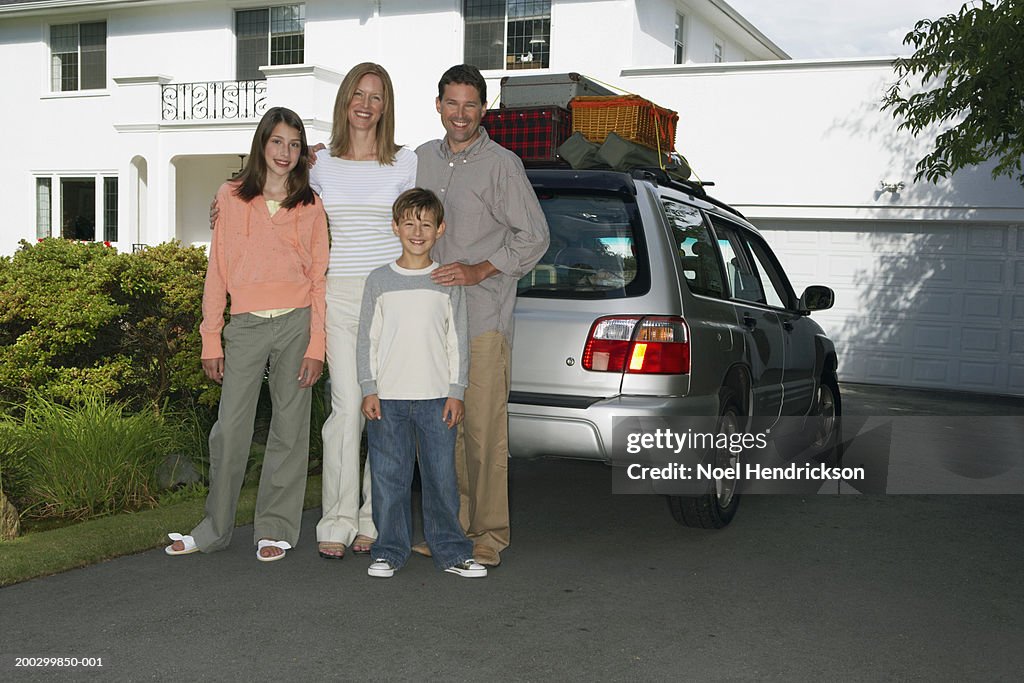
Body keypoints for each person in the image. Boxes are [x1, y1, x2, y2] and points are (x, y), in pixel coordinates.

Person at [166, 106, 328, 562]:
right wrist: (210, 337)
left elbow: (320, 279)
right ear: (262, 143)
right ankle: (214, 528)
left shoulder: (311, 204)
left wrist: (317, 345)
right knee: (230, 430)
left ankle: (275, 528)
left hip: (297, 323)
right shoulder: (231, 196)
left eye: (295, 145)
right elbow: (217, 271)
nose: (286, 152)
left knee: (290, 429)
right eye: (278, 141)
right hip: (247, 325)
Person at [415, 64, 550, 567]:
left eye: (470, 105)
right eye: (452, 103)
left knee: (483, 436)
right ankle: (452, 531)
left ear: (484, 109)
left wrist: (480, 270)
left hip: (484, 320)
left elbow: (534, 236)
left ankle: (489, 536)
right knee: (443, 433)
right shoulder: (421, 159)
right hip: (433, 323)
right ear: (438, 105)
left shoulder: (502, 165)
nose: (460, 114)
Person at [311, 63, 417, 560]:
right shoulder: (321, 164)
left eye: (376, 96)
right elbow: (272, 194)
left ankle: (376, 518)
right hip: (342, 295)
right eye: (358, 93)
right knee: (346, 407)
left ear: (386, 106)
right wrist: (222, 205)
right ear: (345, 100)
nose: (366, 103)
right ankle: (337, 517)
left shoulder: (406, 162)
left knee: (387, 412)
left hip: (393, 297)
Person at [357, 188, 486, 579]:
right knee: (388, 479)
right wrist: (368, 387)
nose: (418, 231)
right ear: (395, 227)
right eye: (409, 223)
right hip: (389, 400)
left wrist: (456, 391)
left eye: (426, 224)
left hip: (436, 400)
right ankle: (389, 549)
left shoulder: (446, 280)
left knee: (441, 480)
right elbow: (368, 338)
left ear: (440, 229)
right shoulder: (379, 280)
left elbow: (457, 340)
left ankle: (451, 550)